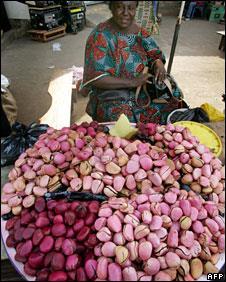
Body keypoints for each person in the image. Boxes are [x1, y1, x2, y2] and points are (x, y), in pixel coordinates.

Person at [80, 1, 185, 124]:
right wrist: (132, 82)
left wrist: (157, 63)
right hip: (112, 95)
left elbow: (153, 51)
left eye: (130, 8)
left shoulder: (139, 31)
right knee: (123, 119)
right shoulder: (99, 36)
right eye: (119, 7)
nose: (125, 13)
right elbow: (96, 78)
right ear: (111, 7)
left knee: (174, 101)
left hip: (142, 89)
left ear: (136, 9)